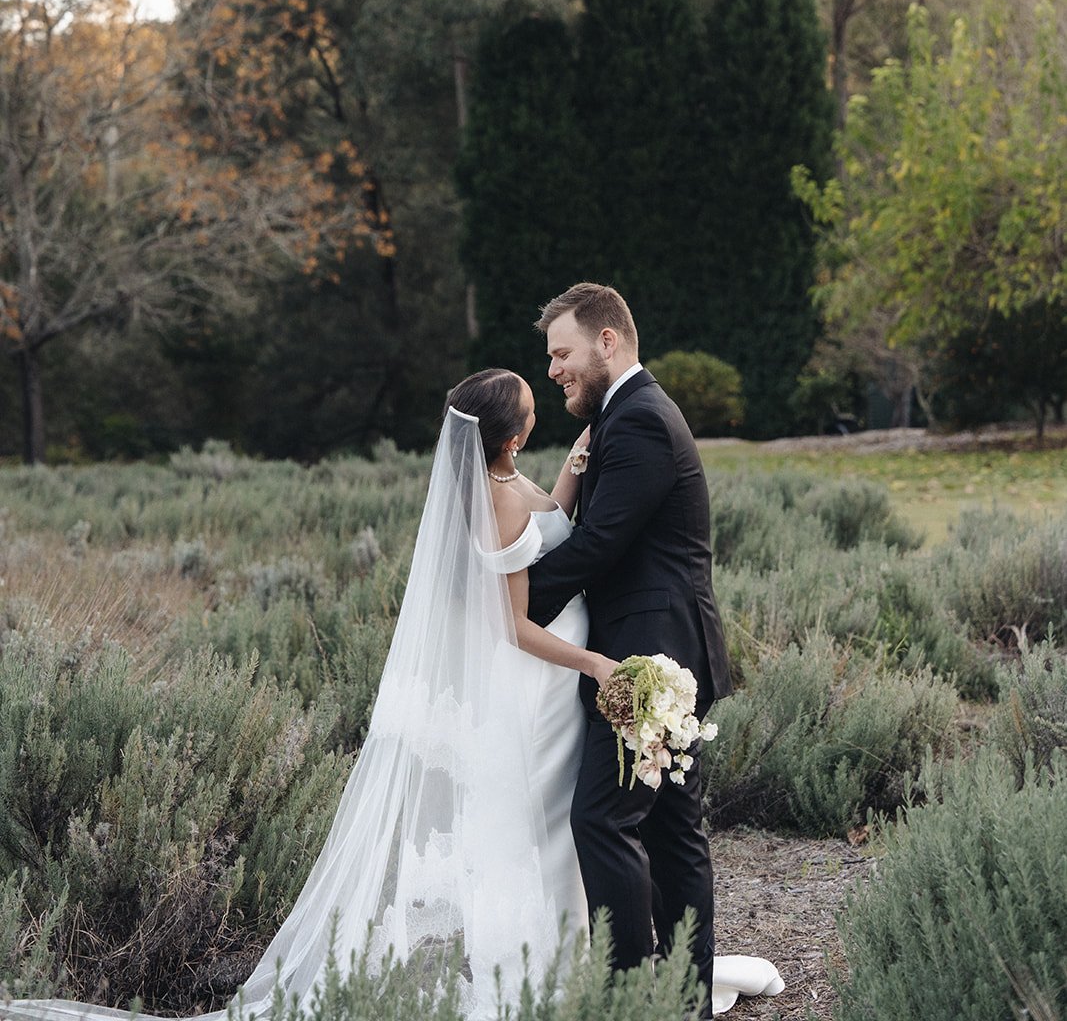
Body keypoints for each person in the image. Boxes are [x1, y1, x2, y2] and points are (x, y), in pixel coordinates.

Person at [2, 363, 781, 1021]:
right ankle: (537, 971)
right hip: (547, 675)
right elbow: (513, 623)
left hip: (557, 681)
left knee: (562, 822)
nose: (545, 410)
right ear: (508, 435)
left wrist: (573, 475)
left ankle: (581, 959)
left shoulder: (510, 479)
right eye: (532, 413)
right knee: (539, 822)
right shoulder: (499, 495)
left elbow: (556, 530)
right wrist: (597, 666)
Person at [526, 281, 761, 1019]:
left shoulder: (639, 423)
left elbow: (599, 547)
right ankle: (681, 1001)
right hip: (665, 654)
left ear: (606, 341)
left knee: (605, 821)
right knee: (669, 829)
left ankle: (634, 999)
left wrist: (507, 605)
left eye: (561, 353)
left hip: (649, 661)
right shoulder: (623, 418)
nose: (554, 369)